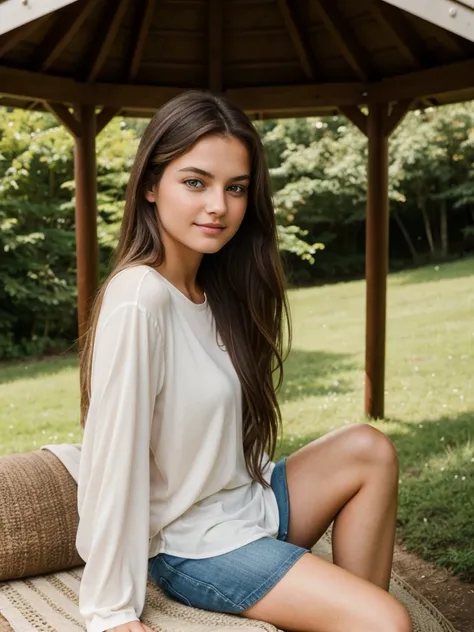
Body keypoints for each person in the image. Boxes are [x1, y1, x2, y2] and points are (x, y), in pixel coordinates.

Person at [76, 90, 412, 632]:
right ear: (148, 187)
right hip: (194, 545)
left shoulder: (211, 291)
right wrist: (110, 613)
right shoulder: (140, 297)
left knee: (368, 448)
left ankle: (345, 615)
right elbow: (114, 456)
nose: (219, 206)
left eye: (236, 189)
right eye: (195, 182)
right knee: (386, 620)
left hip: (249, 508)